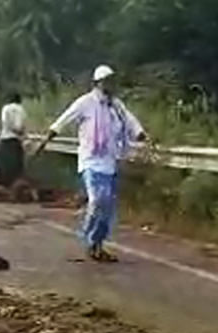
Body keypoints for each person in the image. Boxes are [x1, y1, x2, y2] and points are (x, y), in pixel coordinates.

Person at [35, 64, 147, 262]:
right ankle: (90, 237)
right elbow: (65, 118)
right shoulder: (85, 103)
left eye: (111, 80)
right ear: (97, 83)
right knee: (97, 200)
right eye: (106, 81)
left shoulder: (116, 105)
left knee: (108, 207)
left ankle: (98, 244)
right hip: (91, 160)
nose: (110, 85)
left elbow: (130, 121)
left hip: (110, 160)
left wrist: (140, 134)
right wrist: (46, 139)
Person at [0, 91, 27, 186]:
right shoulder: (22, 109)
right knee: (17, 164)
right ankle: (16, 184)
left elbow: (6, 122)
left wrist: (13, 130)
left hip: (6, 138)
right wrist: (20, 133)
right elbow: (22, 125)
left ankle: (4, 184)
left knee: (4, 163)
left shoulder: (6, 108)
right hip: (17, 140)